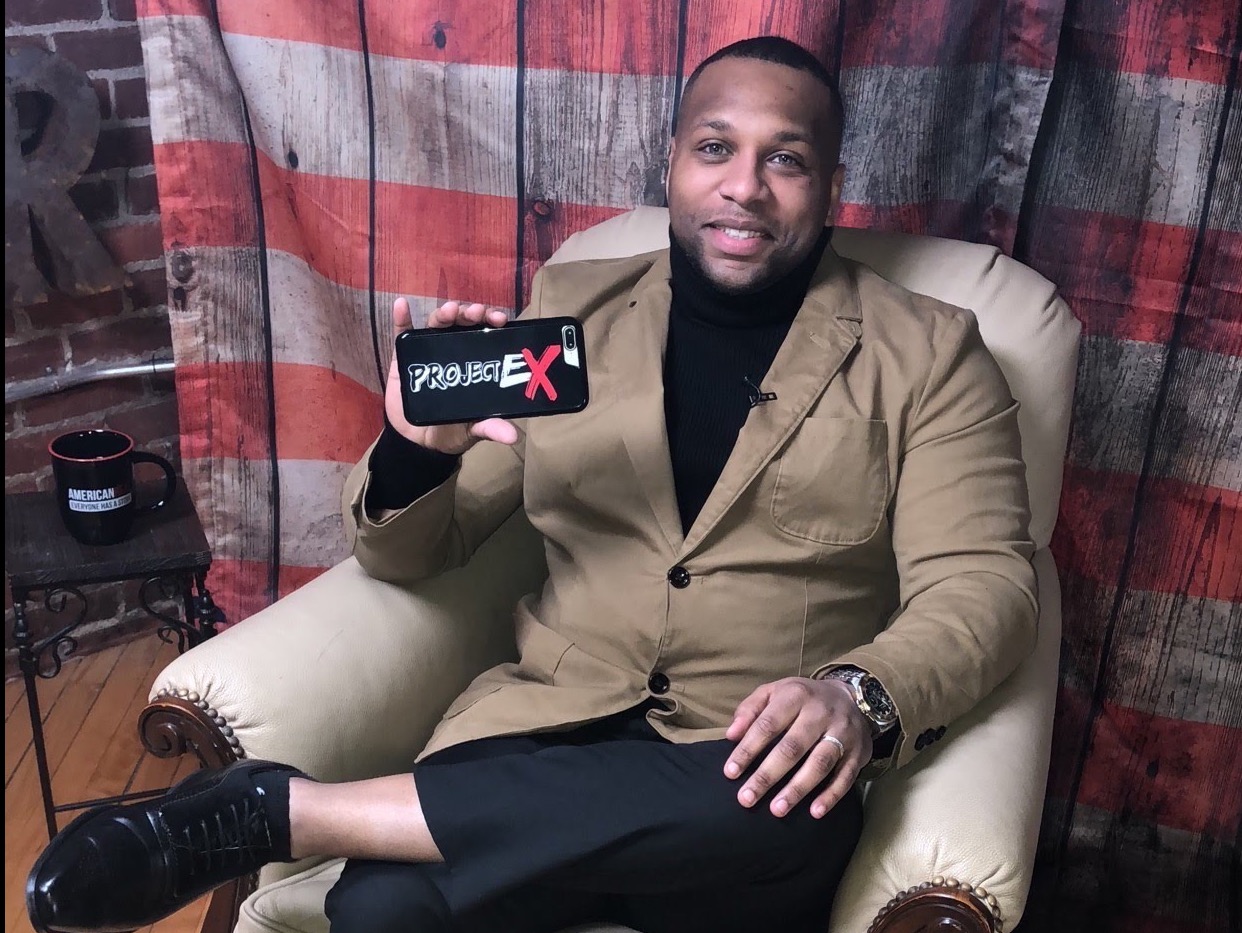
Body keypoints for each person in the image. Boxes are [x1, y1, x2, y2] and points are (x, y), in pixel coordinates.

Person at [26, 35, 1037, 933]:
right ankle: (344, 818)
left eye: (787, 159)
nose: (745, 186)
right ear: (673, 164)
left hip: (739, 778)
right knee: (377, 910)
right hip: (547, 727)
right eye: (715, 148)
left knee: (767, 814)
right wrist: (420, 448)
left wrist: (859, 697)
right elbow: (413, 553)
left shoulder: (930, 354)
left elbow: (985, 584)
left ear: (831, 184)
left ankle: (288, 812)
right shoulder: (571, 311)